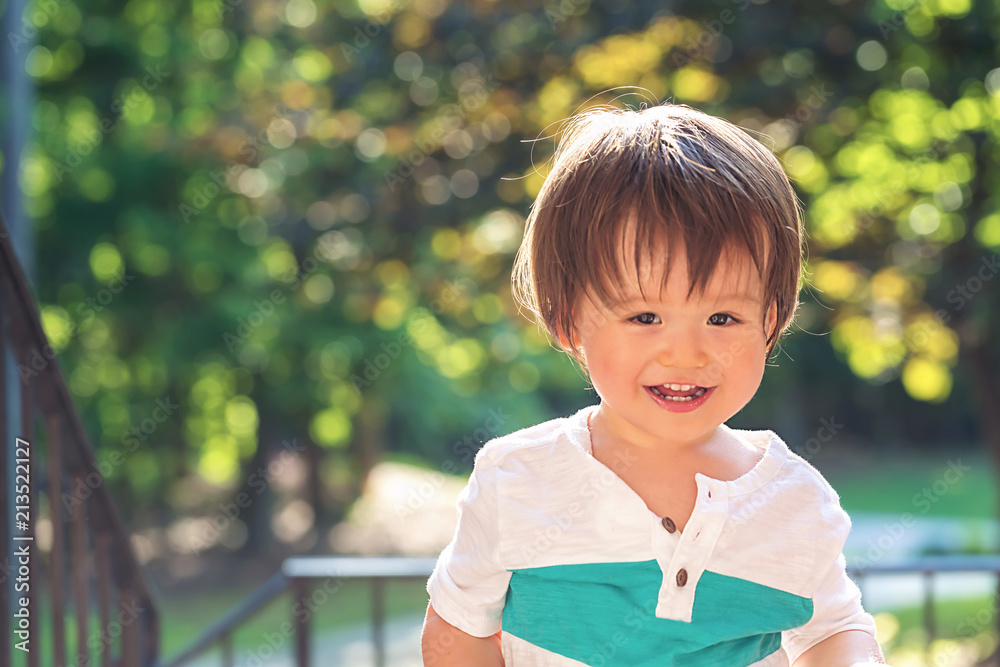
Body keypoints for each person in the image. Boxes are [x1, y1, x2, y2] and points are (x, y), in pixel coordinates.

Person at [420, 101, 887, 666]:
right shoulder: (518, 480)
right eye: (645, 317)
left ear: (771, 322)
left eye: (722, 319)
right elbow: (459, 632)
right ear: (568, 319)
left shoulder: (793, 501)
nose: (686, 352)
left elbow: (833, 628)